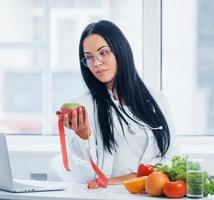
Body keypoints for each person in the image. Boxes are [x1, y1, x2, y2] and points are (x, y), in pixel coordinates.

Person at [62, 20, 177, 184]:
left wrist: (133, 178)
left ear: (120, 50)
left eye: (103, 53)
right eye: (88, 57)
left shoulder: (158, 100)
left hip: (151, 194)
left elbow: (172, 157)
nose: (96, 63)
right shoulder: (82, 107)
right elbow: (82, 176)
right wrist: (83, 136)